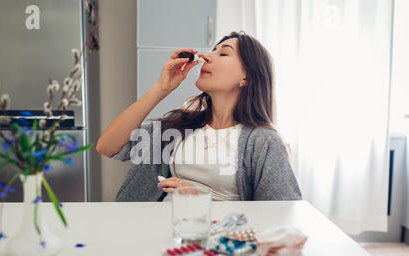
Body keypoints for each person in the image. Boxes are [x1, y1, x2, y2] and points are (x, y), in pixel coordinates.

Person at [96, 31, 302, 202]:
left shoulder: (264, 142)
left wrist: (200, 200)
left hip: (211, 242)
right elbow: (107, 147)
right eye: (212, 50)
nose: (207, 56)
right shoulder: (179, 126)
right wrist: (160, 89)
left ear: (245, 77)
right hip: (155, 231)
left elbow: (280, 216)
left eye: (223, 54)